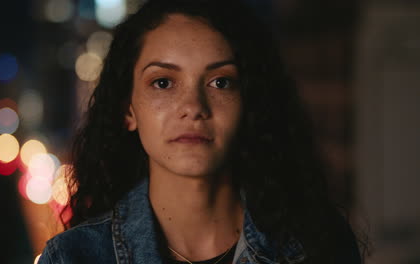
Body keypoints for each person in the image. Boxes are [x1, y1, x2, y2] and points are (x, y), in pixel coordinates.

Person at [38, 0, 364, 263]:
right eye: (163, 83)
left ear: (248, 102)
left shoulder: (317, 246)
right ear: (128, 110)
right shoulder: (74, 256)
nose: (193, 106)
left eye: (220, 82)